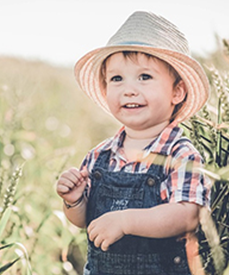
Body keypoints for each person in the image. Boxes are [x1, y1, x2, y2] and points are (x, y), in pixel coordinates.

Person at [55, 10, 211, 275]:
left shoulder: (180, 154)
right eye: (117, 79)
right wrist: (74, 202)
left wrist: (127, 221)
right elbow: (86, 222)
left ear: (177, 91)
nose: (129, 89)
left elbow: (188, 216)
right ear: (105, 91)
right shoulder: (99, 155)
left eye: (145, 77)